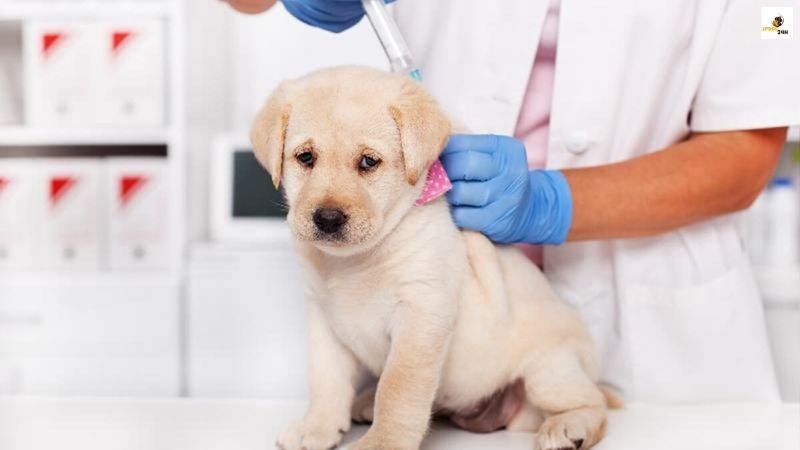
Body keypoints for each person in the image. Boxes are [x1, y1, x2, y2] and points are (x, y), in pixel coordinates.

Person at [226, 0, 800, 402]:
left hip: (661, 333)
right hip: (438, 306)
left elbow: (745, 156)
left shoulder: (778, 13)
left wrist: (552, 203)